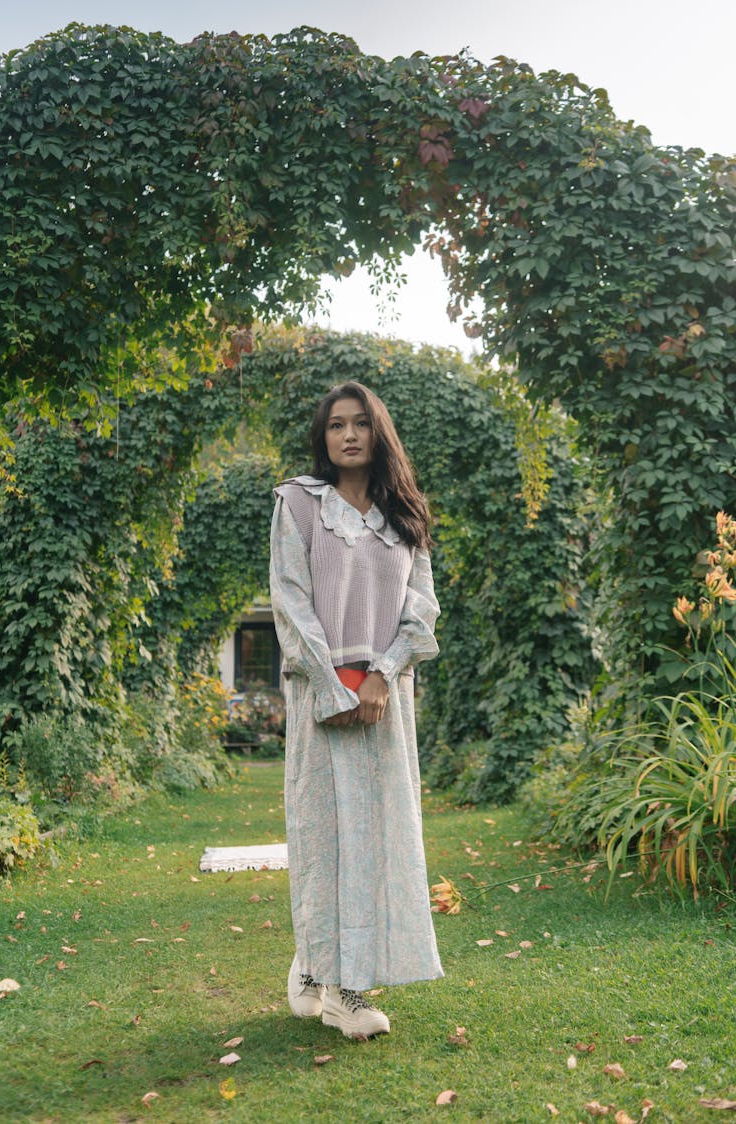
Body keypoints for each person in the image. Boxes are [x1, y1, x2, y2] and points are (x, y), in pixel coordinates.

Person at [269, 380, 443, 1039]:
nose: (348, 434)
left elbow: (420, 611)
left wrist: (381, 675)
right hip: (321, 700)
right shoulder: (299, 505)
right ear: (323, 437)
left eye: (360, 424)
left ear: (378, 434)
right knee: (326, 837)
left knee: (378, 840)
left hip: (382, 703)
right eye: (336, 424)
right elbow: (289, 601)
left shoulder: (405, 518)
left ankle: (336, 978)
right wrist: (333, 686)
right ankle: (329, 978)